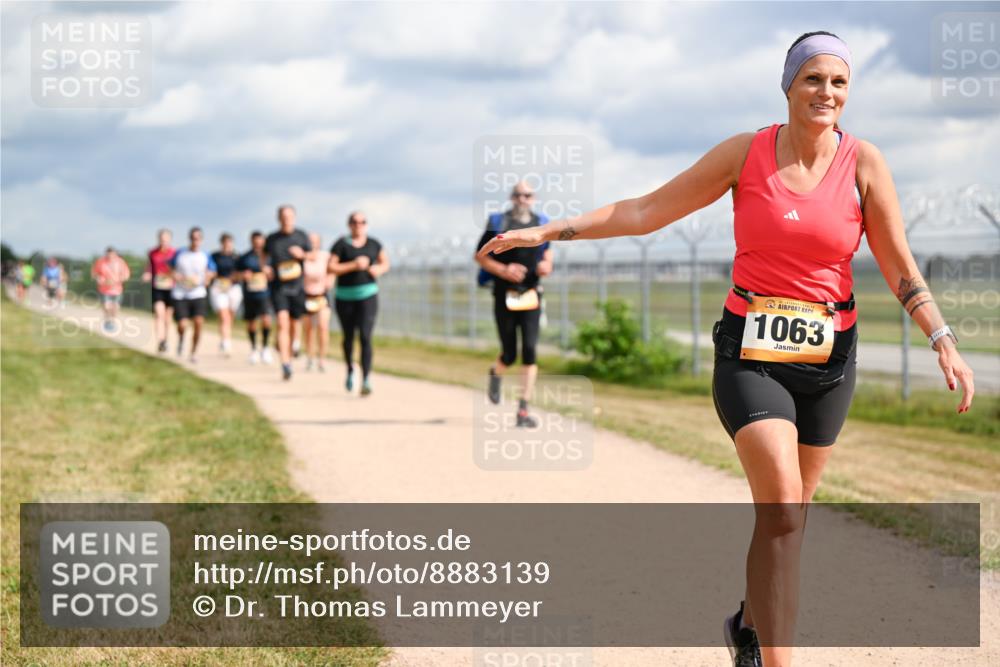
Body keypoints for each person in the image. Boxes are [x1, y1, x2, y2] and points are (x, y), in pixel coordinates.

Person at [478, 31, 975, 667]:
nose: (827, 92)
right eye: (814, 79)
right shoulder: (747, 154)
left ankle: (748, 622)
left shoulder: (865, 163)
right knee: (783, 511)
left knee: (789, 518)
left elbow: (900, 265)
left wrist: (943, 339)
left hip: (830, 360)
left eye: (840, 82)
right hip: (751, 355)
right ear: (789, 85)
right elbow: (645, 210)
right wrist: (548, 229)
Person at [474, 182, 553, 427]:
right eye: (518, 195)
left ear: (533, 198)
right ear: (511, 198)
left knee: (530, 350)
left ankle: (523, 410)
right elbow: (480, 255)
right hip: (503, 293)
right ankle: (496, 373)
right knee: (510, 353)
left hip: (531, 293)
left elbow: (548, 252)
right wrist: (504, 269)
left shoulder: (542, 222)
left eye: (527, 195)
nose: (522, 199)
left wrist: (546, 266)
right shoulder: (498, 222)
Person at [329, 211, 389, 395]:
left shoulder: (374, 244)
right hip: (345, 297)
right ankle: (350, 369)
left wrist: (377, 269)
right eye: (355, 222)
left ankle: (366, 379)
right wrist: (354, 265)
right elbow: (331, 267)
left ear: (366, 224)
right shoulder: (340, 245)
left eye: (362, 222)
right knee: (348, 337)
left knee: (365, 336)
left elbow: (385, 263)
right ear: (349, 224)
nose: (358, 225)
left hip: (368, 295)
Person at [265, 205, 311, 381]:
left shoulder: (301, 236)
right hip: (279, 287)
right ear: (278, 219)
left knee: (293, 324)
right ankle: (285, 363)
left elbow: (312, 256)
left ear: (294, 217)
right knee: (282, 324)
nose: (286, 219)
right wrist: (266, 267)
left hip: (297, 287)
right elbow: (264, 257)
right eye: (283, 216)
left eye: (289, 216)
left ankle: (289, 356)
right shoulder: (272, 239)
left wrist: (302, 255)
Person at [170, 227, 216, 363]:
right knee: (182, 324)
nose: (195, 241)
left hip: (198, 292)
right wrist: (175, 275)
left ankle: (193, 352)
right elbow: (170, 268)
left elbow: (212, 271)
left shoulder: (205, 255)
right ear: (189, 238)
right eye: (193, 238)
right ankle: (181, 338)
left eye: (198, 238)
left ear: (201, 240)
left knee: (198, 322)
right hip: (180, 293)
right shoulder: (180, 253)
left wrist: (208, 277)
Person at [237, 231, 275, 365]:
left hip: (265, 294)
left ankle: (265, 348)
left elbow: (276, 274)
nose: (258, 244)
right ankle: (253, 349)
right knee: (251, 323)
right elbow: (235, 275)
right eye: (255, 242)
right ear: (251, 241)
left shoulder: (270, 257)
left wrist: (270, 273)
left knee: (266, 320)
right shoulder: (244, 257)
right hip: (250, 294)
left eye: (260, 241)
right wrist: (242, 275)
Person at [301, 232, 333, 372]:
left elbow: (332, 270)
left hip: (321, 296)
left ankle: (322, 359)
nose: (313, 243)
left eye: (315, 241)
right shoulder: (302, 257)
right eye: (310, 241)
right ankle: (310, 357)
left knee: (323, 327)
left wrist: (330, 280)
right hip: (306, 296)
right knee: (308, 329)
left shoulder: (325, 256)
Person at [141, 229, 177, 353]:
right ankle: (160, 340)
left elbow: (178, 269)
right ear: (158, 239)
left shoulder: (174, 253)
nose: (164, 242)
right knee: (159, 314)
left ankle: (165, 340)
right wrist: (147, 274)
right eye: (162, 239)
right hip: (157, 287)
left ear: (170, 240)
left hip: (171, 287)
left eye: (166, 239)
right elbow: (149, 267)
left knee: (168, 318)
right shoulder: (152, 252)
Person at [209, 233, 243, 357]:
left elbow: (241, 272)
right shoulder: (214, 256)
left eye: (229, 242)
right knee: (224, 316)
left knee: (230, 315)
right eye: (225, 242)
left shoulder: (237, 257)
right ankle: (226, 342)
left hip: (233, 288)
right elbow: (210, 270)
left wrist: (234, 278)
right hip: (218, 287)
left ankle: (225, 337)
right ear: (221, 243)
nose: (227, 245)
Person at [90, 247, 130, 332]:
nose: (109, 256)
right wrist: (99, 278)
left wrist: (118, 280)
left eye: (111, 254)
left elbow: (126, 275)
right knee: (106, 306)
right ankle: (107, 320)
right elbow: (94, 273)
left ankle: (113, 321)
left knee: (115, 307)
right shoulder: (100, 261)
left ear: (115, 254)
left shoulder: (120, 262)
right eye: (108, 254)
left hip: (117, 289)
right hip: (104, 289)